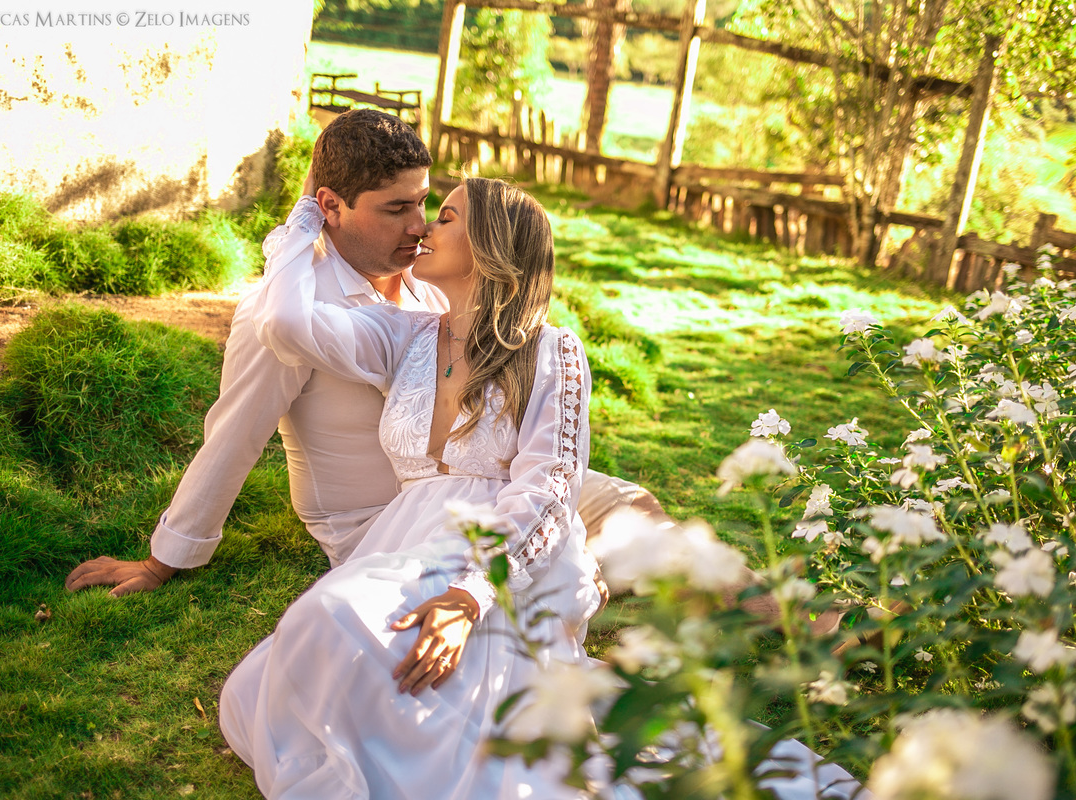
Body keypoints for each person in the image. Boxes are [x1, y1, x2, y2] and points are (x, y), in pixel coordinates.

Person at [63, 109, 664, 599]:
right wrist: (163, 560)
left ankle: (694, 600)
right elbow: (233, 436)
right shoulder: (286, 309)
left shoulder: (430, 287)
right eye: (396, 209)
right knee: (573, 562)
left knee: (635, 511)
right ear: (330, 206)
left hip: (482, 489)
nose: (419, 226)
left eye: (424, 204)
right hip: (383, 524)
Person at [220, 176, 598, 798]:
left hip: (501, 556)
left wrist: (471, 594)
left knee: (339, 624)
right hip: (405, 540)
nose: (422, 228)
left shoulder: (552, 351)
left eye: (445, 217)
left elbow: (549, 491)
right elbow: (286, 322)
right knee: (298, 648)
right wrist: (307, 218)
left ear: (491, 245)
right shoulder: (404, 335)